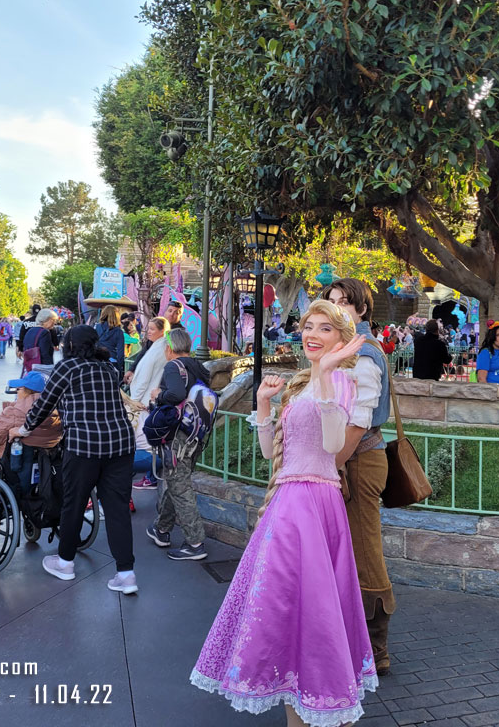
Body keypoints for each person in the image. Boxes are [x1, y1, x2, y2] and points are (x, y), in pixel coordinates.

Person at [190, 300, 376, 726]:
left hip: (313, 503)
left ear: (342, 340)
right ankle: (298, 707)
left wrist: (328, 374)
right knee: (283, 608)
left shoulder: (343, 381)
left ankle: (328, 704)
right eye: (308, 326)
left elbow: (333, 447)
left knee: (313, 610)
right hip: (288, 505)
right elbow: (273, 455)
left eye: (325, 328)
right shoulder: (301, 383)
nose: (312, 334)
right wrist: (262, 405)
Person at [11, 325, 137, 593]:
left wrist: (23, 430)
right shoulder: (109, 368)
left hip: (84, 446)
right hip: (120, 444)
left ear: (69, 345)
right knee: (116, 510)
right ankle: (126, 574)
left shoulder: (66, 368)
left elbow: (44, 404)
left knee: (74, 503)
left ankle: (65, 562)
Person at [321, 279, 396, 676]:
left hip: (360, 459)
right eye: (331, 302)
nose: (337, 309)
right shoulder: (345, 350)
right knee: (343, 549)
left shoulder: (364, 353)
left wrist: (330, 465)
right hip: (345, 459)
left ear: (363, 309)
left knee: (365, 550)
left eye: (345, 303)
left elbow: (358, 421)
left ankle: (377, 646)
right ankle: (352, 635)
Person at [145, 328, 212, 561]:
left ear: (169, 348)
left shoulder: (174, 366)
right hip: (196, 434)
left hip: (178, 436)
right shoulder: (198, 366)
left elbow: (174, 394)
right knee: (177, 481)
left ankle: (195, 543)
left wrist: (157, 395)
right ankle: (161, 529)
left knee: (180, 488)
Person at [127, 316, 170, 491]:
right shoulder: (157, 347)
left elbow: (144, 377)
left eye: (152, 329)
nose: (148, 331)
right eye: (148, 328)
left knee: (144, 443)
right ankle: (151, 475)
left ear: (162, 331)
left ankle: (150, 475)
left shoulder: (157, 350)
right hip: (146, 399)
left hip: (142, 401)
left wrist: (133, 401)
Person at [19, 308, 60, 372]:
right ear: (48, 320)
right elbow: (45, 354)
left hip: (29, 367)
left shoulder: (30, 331)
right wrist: (50, 371)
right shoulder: (45, 332)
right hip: (40, 369)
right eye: (53, 320)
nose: (54, 323)